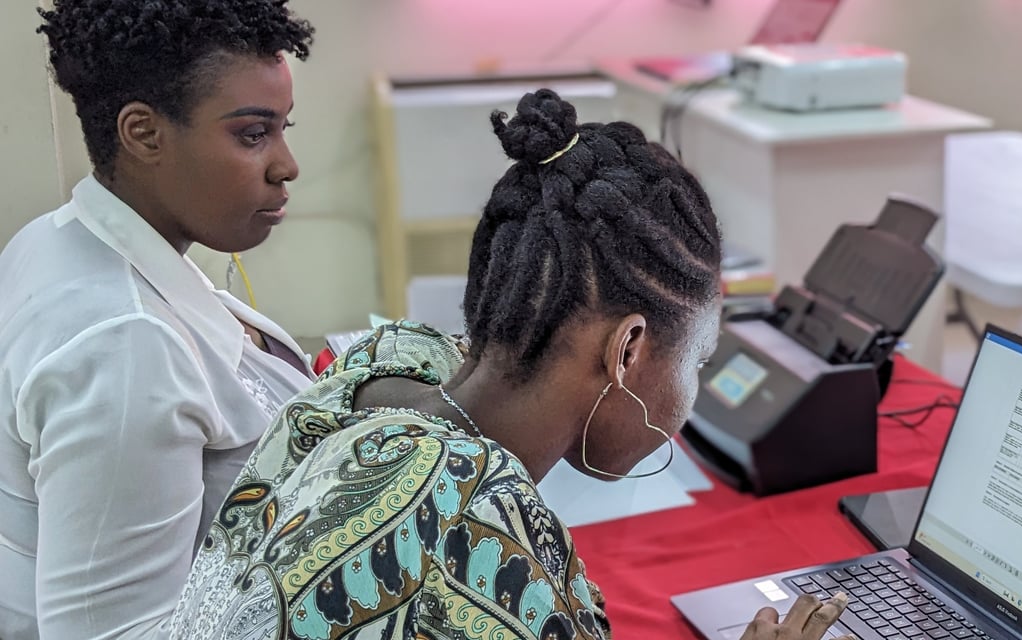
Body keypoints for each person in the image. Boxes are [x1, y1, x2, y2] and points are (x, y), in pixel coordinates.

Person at [168, 90, 852, 640]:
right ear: (627, 350)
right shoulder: (476, 535)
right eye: (698, 359)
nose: (692, 390)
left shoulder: (388, 362)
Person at [0, 1, 316, 638]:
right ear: (144, 134)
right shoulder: (124, 344)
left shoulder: (62, 236)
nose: (286, 165)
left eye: (283, 128)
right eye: (253, 134)